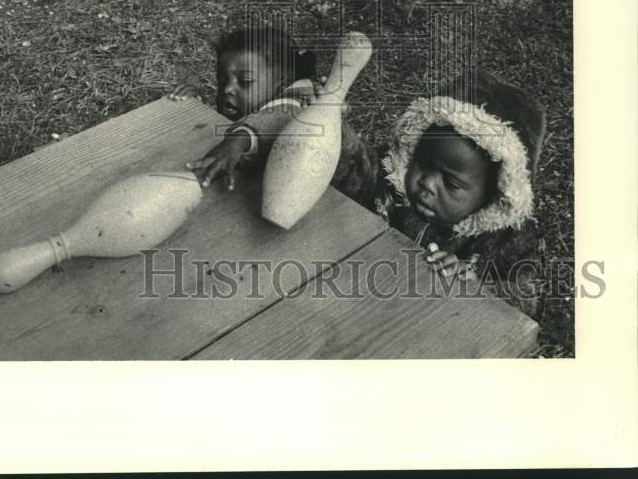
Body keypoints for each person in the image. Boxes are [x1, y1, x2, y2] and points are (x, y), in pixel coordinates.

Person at [375, 68, 547, 318]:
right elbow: (349, 166)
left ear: (494, 197)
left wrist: (474, 285)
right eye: (423, 163)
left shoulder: (507, 240)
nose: (427, 184)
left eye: (452, 184)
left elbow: (523, 301)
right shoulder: (387, 177)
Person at [169, 23, 379, 210]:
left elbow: (279, 116)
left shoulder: (303, 102)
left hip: (359, 197)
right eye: (222, 80)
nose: (228, 90)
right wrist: (197, 106)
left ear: (282, 83)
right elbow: (239, 122)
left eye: (246, 81)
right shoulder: (258, 103)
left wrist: (239, 140)